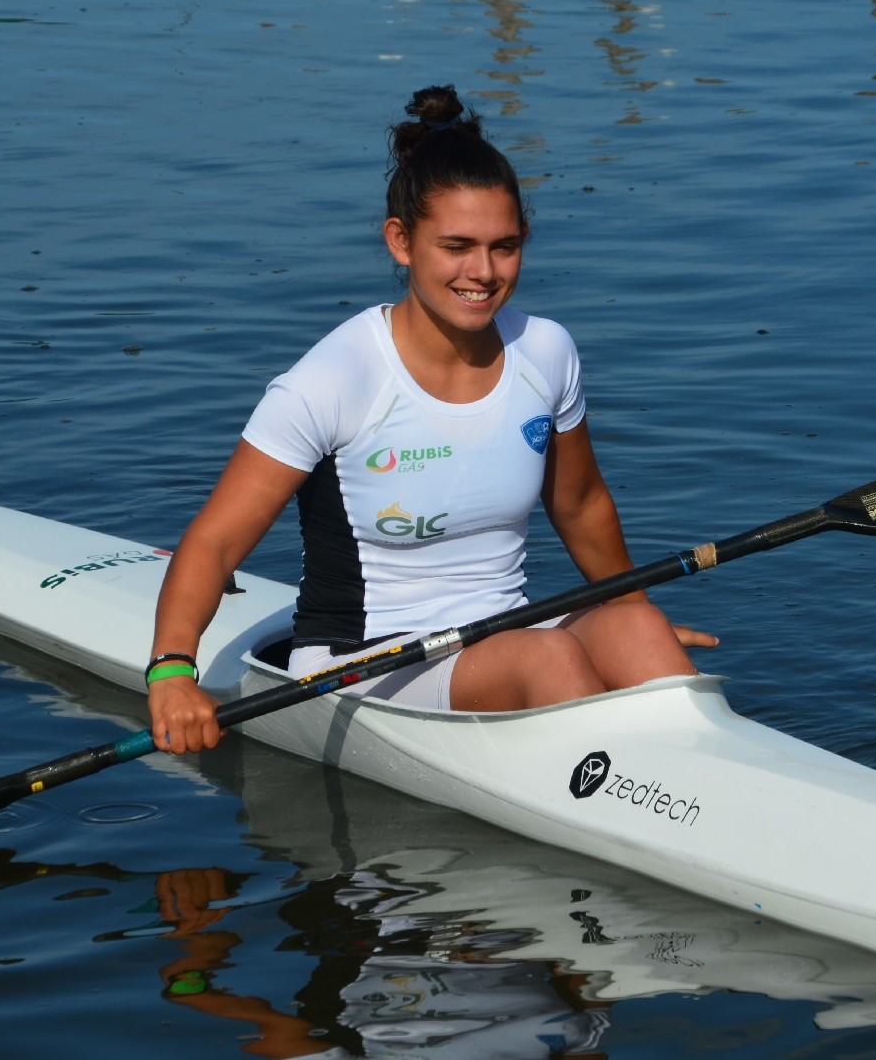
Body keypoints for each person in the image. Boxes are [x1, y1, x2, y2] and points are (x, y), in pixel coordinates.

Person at [147, 84, 715, 755]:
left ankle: (707, 777)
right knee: (551, 659)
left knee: (640, 628)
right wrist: (172, 671)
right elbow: (214, 542)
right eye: (457, 246)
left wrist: (629, 612)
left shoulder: (546, 351)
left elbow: (582, 504)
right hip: (363, 658)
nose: (484, 272)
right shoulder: (334, 380)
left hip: (507, 633)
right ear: (401, 241)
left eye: (504, 246)